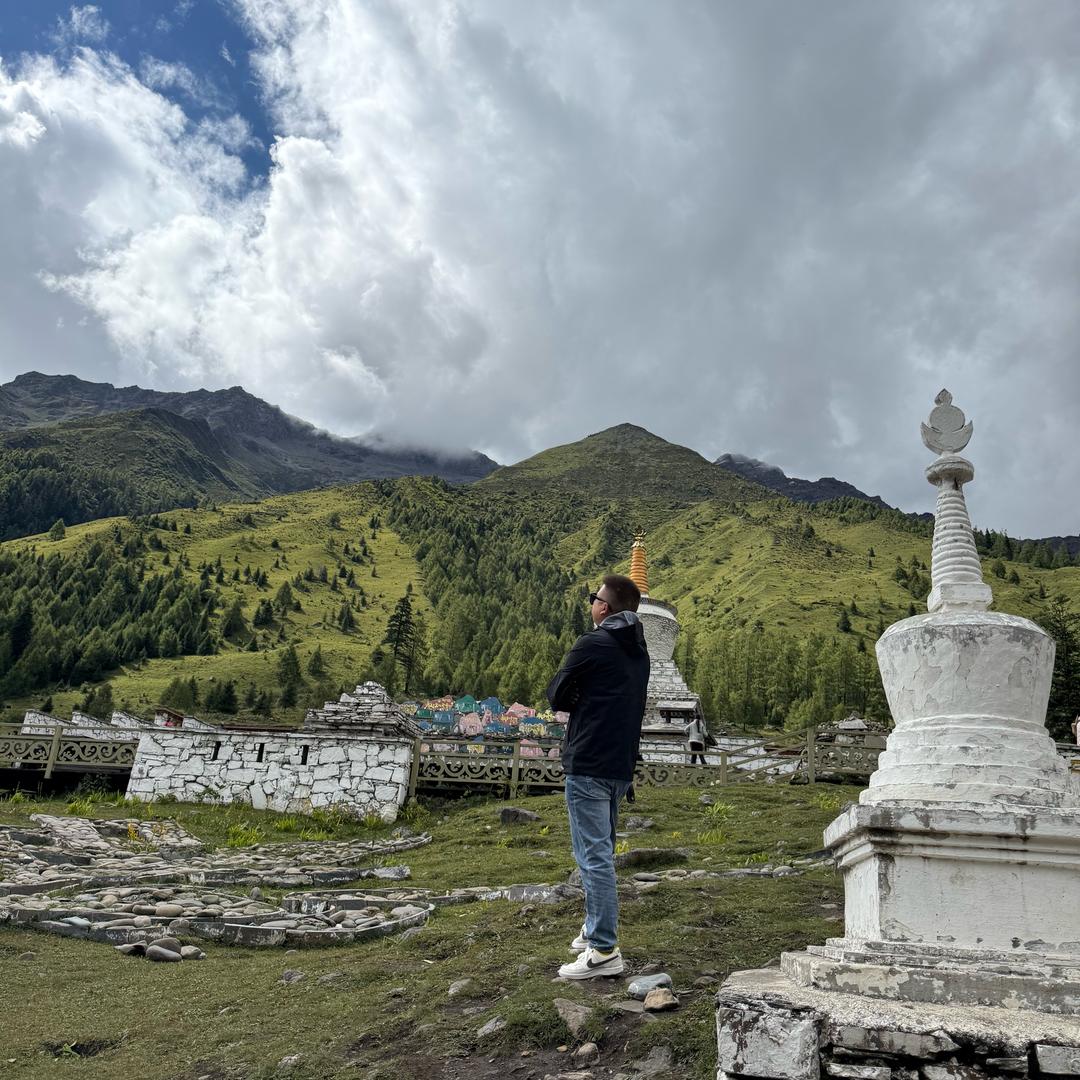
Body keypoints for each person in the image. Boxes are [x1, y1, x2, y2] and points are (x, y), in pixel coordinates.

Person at [546, 574, 650, 979]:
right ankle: (593, 928)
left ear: (604, 607)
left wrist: (577, 696)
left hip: (588, 759)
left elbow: (557, 693)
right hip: (620, 766)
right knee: (599, 850)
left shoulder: (592, 642)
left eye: (595, 598)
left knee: (593, 857)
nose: (592, 603)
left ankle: (604, 950)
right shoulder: (640, 654)